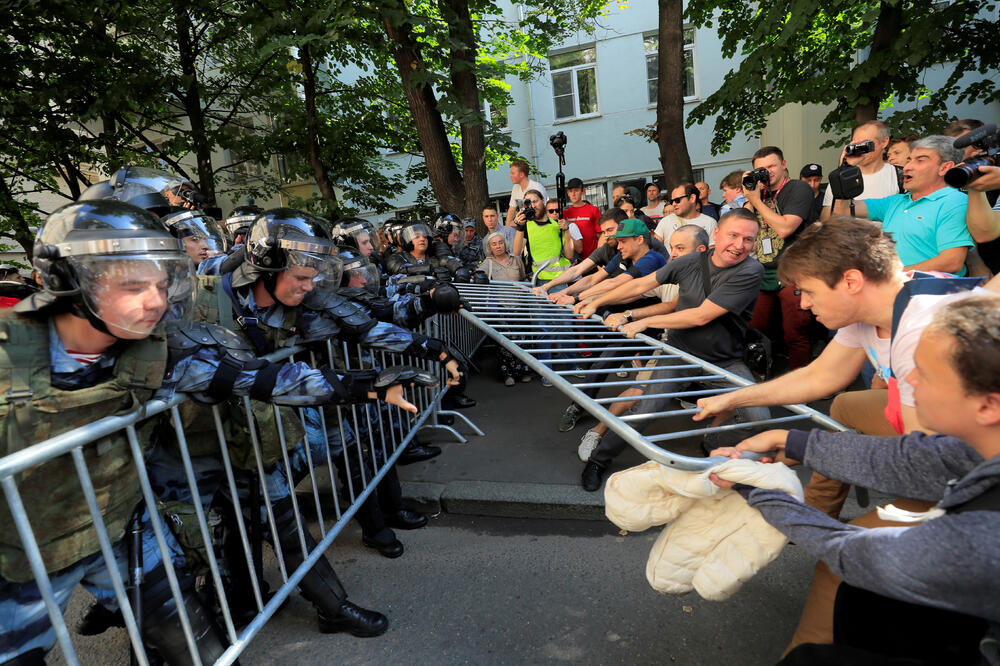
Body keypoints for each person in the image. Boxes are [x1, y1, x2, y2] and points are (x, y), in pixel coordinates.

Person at [0, 201, 429, 663]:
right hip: (21, 558)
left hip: (123, 528)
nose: (156, 302)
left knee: (196, 644)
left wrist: (366, 387)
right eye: (132, 286)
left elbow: (257, 378)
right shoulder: (11, 356)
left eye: (162, 285)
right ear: (69, 283)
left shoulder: (159, 348)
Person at [709, 294, 1000, 666]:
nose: (906, 379)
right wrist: (791, 441)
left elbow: (851, 553)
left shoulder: (981, 538)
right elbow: (912, 460)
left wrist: (757, 489)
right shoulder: (977, 447)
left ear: (987, 406)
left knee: (812, 658)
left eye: (924, 375)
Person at [575, 209, 769, 491]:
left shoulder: (751, 270)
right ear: (717, 235)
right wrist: (593, 302)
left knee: (759, 417)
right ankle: (600, 460)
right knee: (648, 408)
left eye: (748, 239)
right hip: (680, 353)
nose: (740, 245)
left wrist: (642, 321)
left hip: (725, 361)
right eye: (733, 235)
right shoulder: (690, 263)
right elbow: (641, 283)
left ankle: (713, 441)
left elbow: (701, 316)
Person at [558, 224, 708, 436]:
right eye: (672, 247)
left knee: (659, 386)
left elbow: (633, 288)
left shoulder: (654, 260)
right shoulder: (644, 261)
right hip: (641, 328)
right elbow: (630, 291)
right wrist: (587, 300)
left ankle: (717, 403)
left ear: (639, 239)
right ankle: (581, 411)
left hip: (661, 333)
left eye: (623, 240)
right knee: (621, 373)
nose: (618, 245)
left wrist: (585, 300)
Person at [832, 135, 974, 276]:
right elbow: (842, 211)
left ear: (944, 168)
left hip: (931, 292)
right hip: (891, 289)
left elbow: (952, 262)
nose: (907, 167)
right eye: (909, 160)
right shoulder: (896, 201)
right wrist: (845, 168)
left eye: (920, 161)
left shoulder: (955, 201)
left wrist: (891, 275)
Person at [743, 145, 816, 370]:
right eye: (760, 169)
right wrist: (749, 193)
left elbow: (786, 228)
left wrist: (756, 202)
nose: (767, 172)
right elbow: (746, 226)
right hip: (764, 270)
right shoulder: (758, 194)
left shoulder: (798, 188)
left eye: (771, 166)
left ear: (784, 165)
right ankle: (760, 376)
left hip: (793, 270)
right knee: (756, 328)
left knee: (795, 331)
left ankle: (802, 386)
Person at [569, 219, 666, 313]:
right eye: (618, 241)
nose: (619, 247)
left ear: (640, 239)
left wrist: (577, 298)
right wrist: (567, 294)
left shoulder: (652, 259)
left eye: (623, 241)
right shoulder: (624, 256)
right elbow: (594, 278)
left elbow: (615, 283)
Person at [531, 209, 628, 301]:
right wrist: (547, 287)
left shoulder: (638, 253)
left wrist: (576, 298)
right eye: (603, 232)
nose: (606, 236)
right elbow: (581, 272)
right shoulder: (608, 249)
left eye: (610, 230)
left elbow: (616, 284)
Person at [820, 121, 900, 222]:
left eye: (865, 144)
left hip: (885, 237)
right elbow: (826, 221)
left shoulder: (899, 176)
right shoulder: (841, 177)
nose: (860, 149)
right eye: (856, 144)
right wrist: (845, 167)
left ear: (884, 142)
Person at [512, 189, 573, 283]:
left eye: (535, 201)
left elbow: (569, 255)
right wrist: (520, 227)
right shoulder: (526, 226)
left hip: (560, 279)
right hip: (537, 279)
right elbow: (517, 251)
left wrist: (567, 230)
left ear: (543, 200)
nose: (533, 206)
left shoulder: (557, 224)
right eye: (529, 203)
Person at [652, 183, 717, 244]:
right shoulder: (665, 221)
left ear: (692, 198)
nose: (674, 204)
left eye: (677, 200)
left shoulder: (710, 223)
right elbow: (655, 248)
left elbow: (712, 251)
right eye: (672, 201)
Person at [562, 178, 602, 259]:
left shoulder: (593, 210)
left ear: (583, 191)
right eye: (570, 191)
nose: (573, 194)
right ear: (568, 193)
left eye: (576, 190)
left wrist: (600, 255)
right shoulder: (565, 213)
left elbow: (601, 235)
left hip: (592, 258)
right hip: (573, 259)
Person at [505, 159, 547, 227]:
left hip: (540, 226)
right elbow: (511, 210)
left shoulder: (536, 187)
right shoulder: (515, 188)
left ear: (521, 174)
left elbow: (544, 211)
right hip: (525, 226)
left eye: (513, 173)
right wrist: (507, 228)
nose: (510, 176)